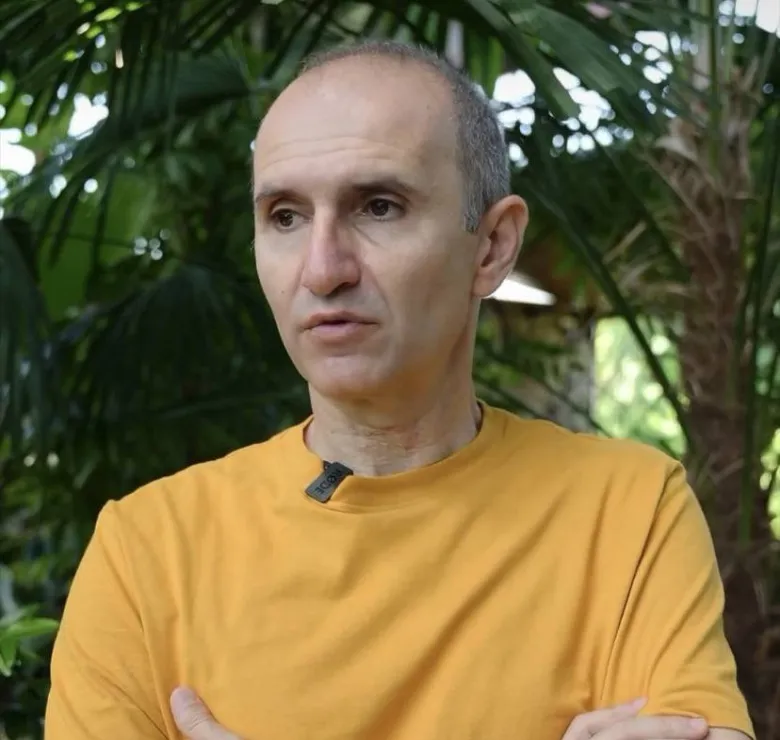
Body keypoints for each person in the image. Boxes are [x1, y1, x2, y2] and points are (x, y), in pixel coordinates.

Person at [44, 40, 754, 740]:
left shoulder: (627, 510)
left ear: (492, 246)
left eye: (378, 207)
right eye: (285, 216)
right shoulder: (148, 551)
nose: (322, 270)